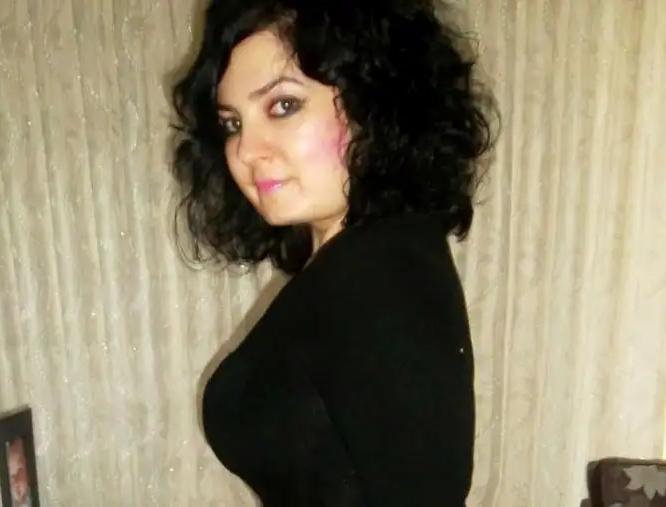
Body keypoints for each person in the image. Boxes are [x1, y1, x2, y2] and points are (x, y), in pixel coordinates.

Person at [169, 0, 497, 505]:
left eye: (283, 106)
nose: (247, 150)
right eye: (232, 124)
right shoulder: (357, 265)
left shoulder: (380, 274)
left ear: (373, 103)